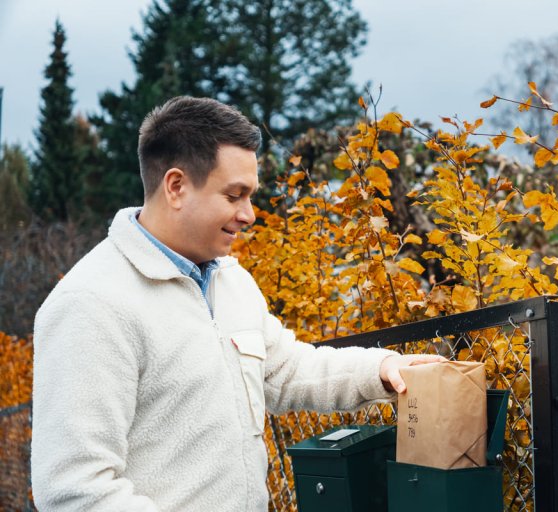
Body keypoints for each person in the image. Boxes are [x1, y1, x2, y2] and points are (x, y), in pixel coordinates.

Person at [31, 96, 443, 511]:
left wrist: (382, 370)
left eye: (251, 195)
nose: (249, 214)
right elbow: (75, 488)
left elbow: (286, 370)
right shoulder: (91, 305)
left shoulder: (231, 280)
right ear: (176, 187)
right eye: (234, 195)